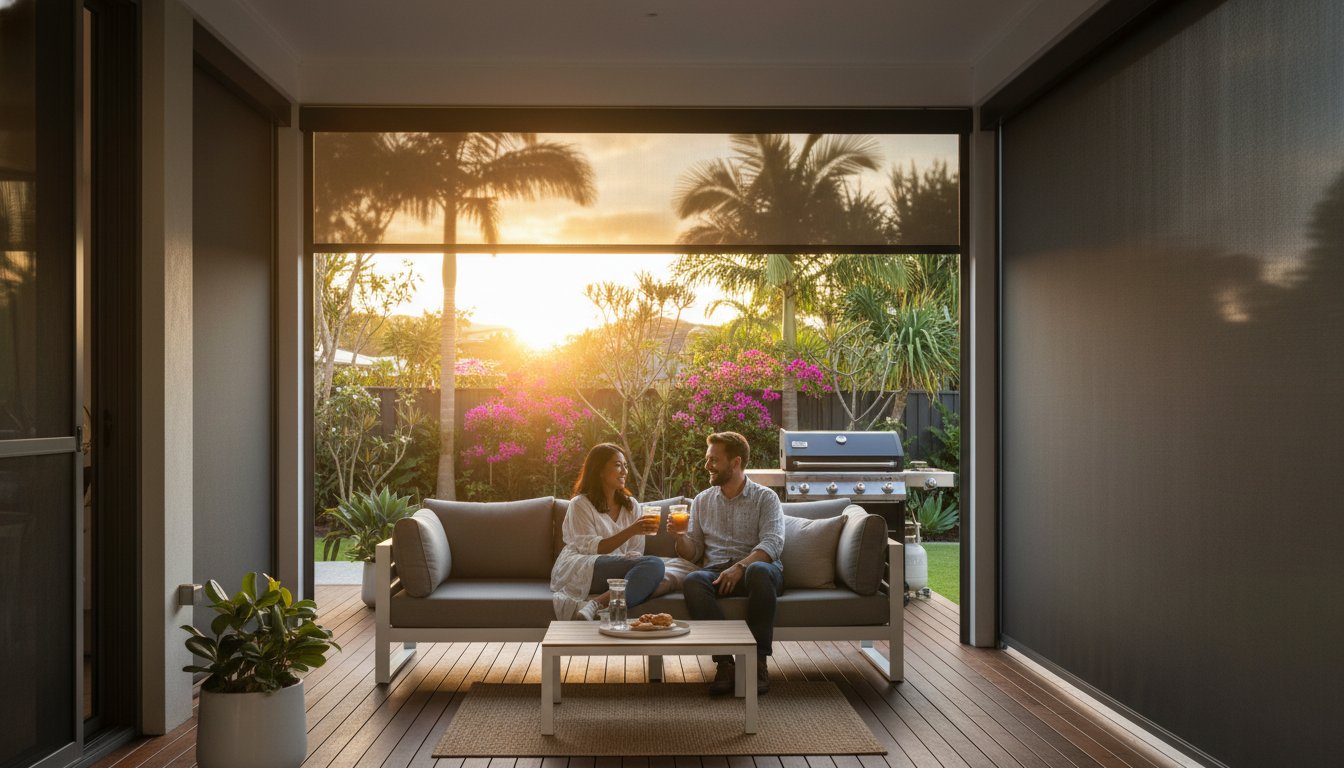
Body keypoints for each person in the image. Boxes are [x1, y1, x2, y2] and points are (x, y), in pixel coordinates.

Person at [670, 431, 784, 695]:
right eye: (707, 459)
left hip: (760, 573)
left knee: (758, 571)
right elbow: (694, 552)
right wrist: (680, 537)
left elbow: (773, 544)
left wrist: (740, 567)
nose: (707, 465)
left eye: (713, 460)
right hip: (717, 573)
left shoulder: (765, 498)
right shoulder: (702, 500)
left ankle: (757, 663)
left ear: (736, 462)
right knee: (694, 580)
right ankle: (725, 664)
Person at [550, 443, 667, 621]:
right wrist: (632, 530)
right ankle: (608, 604)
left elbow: (636, 550)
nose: (624, 471)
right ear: (599, 470)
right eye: (618, 465)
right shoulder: (580, 504)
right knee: (653, 566)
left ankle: (597, 605)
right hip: (585, 565)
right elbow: (595, 549)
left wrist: (631, 557)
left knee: (654, 566)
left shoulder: (631, 505)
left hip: (615, 567)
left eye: (625, 466)